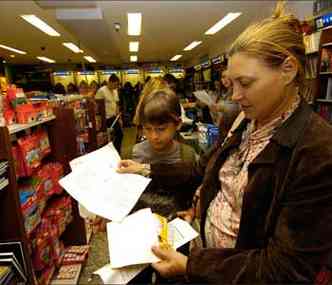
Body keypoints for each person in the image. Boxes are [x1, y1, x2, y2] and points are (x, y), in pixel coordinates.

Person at [148, 2, 332, 283]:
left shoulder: (317, 150)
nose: (234, 96)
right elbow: (202, 169)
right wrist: (145, 171)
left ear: (288, 69)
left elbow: (284, 269)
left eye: (245, 83)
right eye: (232, 84)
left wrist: (191, 265)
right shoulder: (243, 121)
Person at [118, 88, 197, 217]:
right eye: (147, 129)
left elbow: (191, 192)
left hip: (176, 227)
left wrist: (192, 211)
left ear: (178, 124)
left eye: (161, 129)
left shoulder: (187, 155)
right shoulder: (130, 155)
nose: (154, 136)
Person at [95, 74, 123, 152]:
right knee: (106, 139)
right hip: (105, 119)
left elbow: (116, 103)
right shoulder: (101, 91)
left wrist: (119, 118)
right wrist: (99, 120)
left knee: (119, 135)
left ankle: (117, 152)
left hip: (114, 117)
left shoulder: (115, 91)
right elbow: (97, 106)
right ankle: (109, 153)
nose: (116, 86)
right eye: (115, 84)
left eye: (117, 84)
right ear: (110, 82)